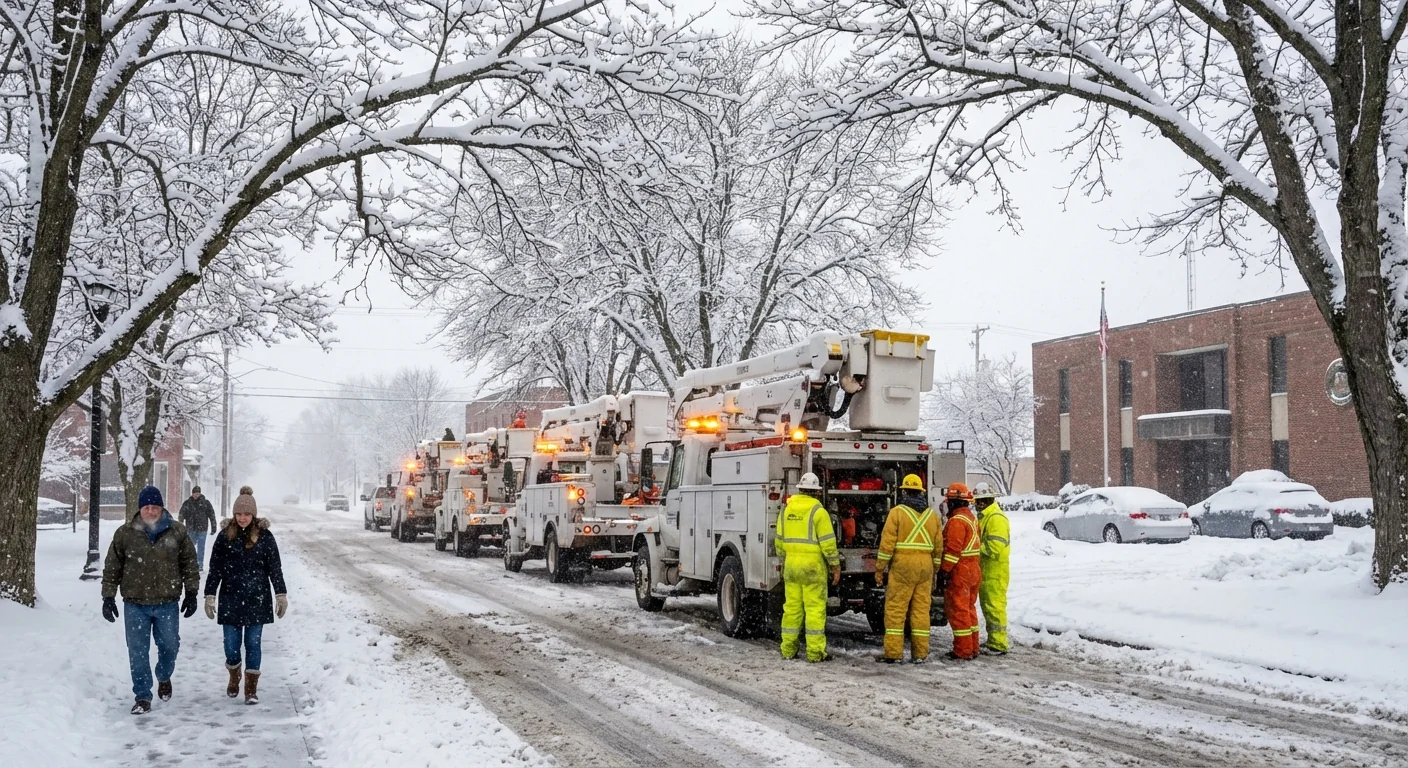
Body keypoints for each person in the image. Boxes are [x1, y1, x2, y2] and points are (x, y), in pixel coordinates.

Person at [101, 485, 200, 715]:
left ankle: (164, 675)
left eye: (155, 506)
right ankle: (143, 696)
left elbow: (189, 564)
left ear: (161, 508)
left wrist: (192, 592)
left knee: (170, 645)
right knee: (137, 651)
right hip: (135, 603)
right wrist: (108, 596)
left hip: (167, 602)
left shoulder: (177, 531)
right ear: (140, 509)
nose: (151, 511)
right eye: (146, 507)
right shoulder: (125, 534)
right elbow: (112, 566)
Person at [205, 486, 288, 705]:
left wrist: (280, 593)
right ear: (234, 514)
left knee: (253, 644)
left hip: (257, 599)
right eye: (239, 514)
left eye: (247, 514)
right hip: (230, 598)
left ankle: (251, 689)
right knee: (231, 646)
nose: (242, 518)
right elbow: (215, 568)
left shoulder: (265, 537)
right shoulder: (224, 537)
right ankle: (234, 674)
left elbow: (275, 568)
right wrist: (210, 594)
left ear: (253, 514)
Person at [874, 474, 942, 663]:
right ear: (921, 493)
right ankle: (920, 654)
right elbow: (938, 547)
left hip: (903, 566)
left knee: (896, 610)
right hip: (925, 566)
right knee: (921, 611)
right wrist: (935, 569)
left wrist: (880, 568)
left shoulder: (897, 513)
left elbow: (887, 544)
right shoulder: (933, 516)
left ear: (904, 492)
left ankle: (894, 654)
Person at [774, 472, 840, 662]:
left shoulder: (786, 510)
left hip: (792, 567)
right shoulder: (819, 512)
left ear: (800, 490)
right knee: (814, 610)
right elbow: (828, 543)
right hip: (812, 569)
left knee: (792, 609)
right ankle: (815, 653)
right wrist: (835, 566)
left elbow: (779, 542)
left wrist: (786, 560)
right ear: (817, 492)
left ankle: (788, 649)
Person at [939, 482, 982, 660]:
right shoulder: (971, 518)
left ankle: (963, 651)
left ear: (953, 502)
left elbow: (952, 551)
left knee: (959, 611)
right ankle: (973, 647)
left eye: (948, 501)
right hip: (973, 570)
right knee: (969, 610)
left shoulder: (956, 521)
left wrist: (944, 571)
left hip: (961, 572)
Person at [973, 483, 1011, 655]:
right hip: (988, 570)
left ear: (990, 499)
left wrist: (974, 549)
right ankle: (993, 640)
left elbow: (995, 546)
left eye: (982, 500)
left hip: (995, 571)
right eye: (977, 501)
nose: (979, 503)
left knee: (995, 607)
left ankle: (998, 644)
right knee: (989, 607)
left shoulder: (996, 518)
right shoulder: (986, 516)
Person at [178, 485, 217, 572]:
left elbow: (212, 515)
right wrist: (180, 523)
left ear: (200, 493)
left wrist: (213, 526)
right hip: (190, 529)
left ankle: (200, 565)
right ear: (192, 494)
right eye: (194, 493)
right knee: (190, 547)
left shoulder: (206, 503)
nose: (196, 495)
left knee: (201, 548)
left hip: (202, 529)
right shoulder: (187, 503)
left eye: (197, 493)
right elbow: (181, 514)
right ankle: (190, 563)